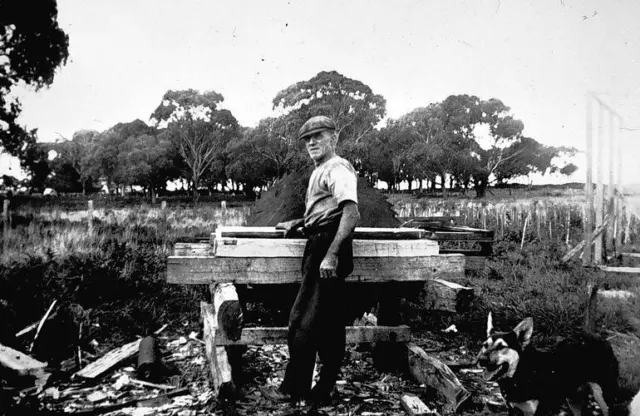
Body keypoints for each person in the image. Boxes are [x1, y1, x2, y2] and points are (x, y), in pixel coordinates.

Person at [270, 115, 360, 406]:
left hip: (327, 246)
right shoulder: (321, 170)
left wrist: (331, 255)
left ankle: (293, 389)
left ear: (333, 137)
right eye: (307, 139)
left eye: (318, 136)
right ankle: (325, 389)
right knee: (331, 323)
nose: (311, 143)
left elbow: (350, 213)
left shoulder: (337, 168)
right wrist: (300, 222)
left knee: (302, 321)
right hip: (321, 240)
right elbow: (328, 211)